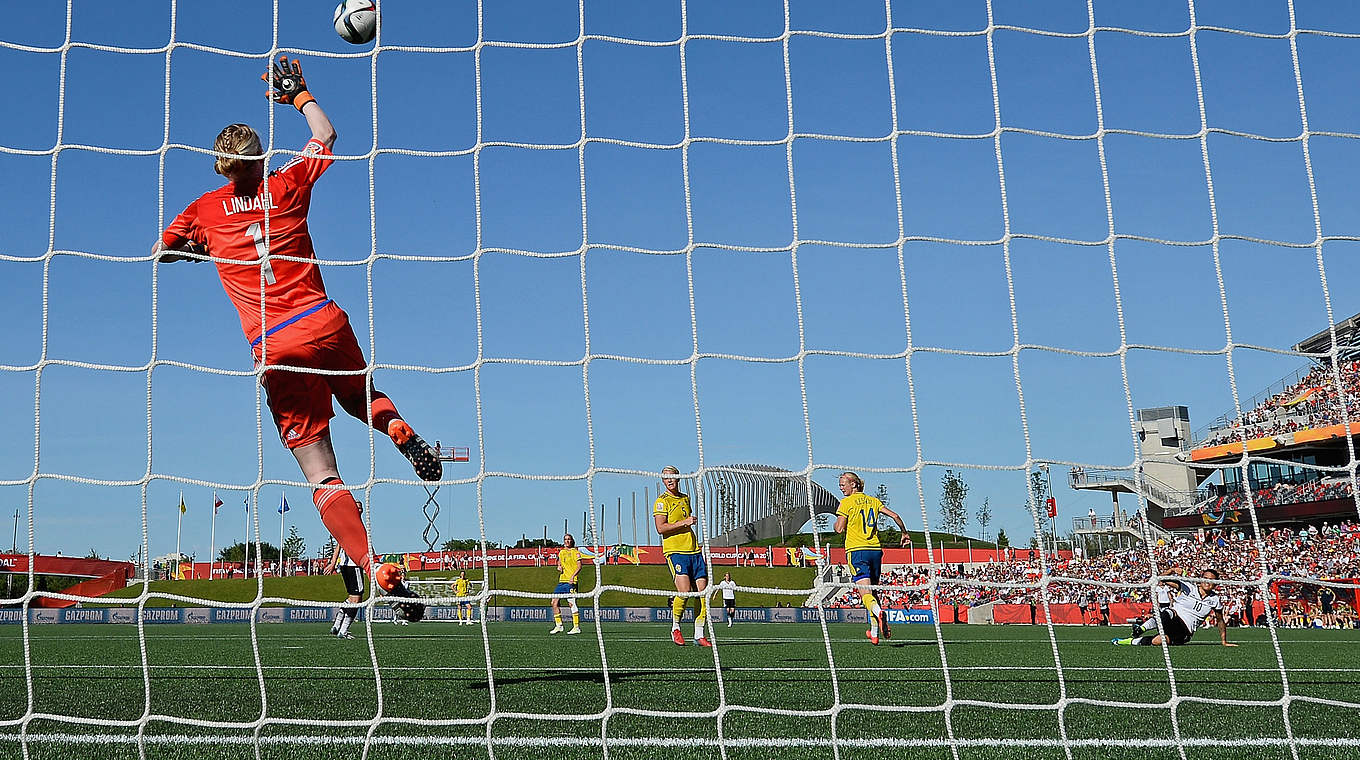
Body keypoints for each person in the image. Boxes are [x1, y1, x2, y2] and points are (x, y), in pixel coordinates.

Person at [154, 58, 441, 582]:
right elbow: (326, 135)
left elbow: (162, 251)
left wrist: (202, 249)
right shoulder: (286, 185)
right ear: (261, 157)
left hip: (274, 345)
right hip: (324, 321)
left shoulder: (204, 210)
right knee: (360, 396)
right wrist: (299, 95)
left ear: (220, 167)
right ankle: (395, 427)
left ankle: (373, 565)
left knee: (322, 472)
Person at [834, 471, 907, 645]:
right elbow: (895, 516)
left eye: (843, 484)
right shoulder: (873, 501)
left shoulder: (846, 502)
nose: (841, 488)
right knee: (872, 592)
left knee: (865, 594)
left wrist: (836, 521)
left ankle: (878, 612)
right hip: (875, 550)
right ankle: (874, 632)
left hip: (857, 551)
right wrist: (904, 533)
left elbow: (839, 529)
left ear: (853, 484)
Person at [654, 466, 710, 647]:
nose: (669, 480)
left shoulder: (685, 498)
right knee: (684, 591)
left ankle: (699, 634)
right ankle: (675, 628)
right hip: (676, 551)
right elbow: (660, 528)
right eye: (666, 478)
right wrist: (684, 522)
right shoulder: (661, 501)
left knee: (703, 593)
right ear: (663, 481)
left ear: (678, 478)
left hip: (694, 550)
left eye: (672, 477)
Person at [1112, 570, 1237, 647]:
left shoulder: (1215, 600)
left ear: (1216, 584)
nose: (1207, 581)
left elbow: (1220, 621)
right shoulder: (1189, 587)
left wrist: (1224, 641)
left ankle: (1128, 641)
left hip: (1185, 630)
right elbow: (1160, 579)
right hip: (1174, 616)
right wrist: (1171, 570)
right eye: (1205, 578)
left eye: (1211, 580)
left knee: (1158, 641)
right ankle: (1141, 628)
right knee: (1168, 612)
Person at [325, 539, 362, 640]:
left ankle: (337, 625)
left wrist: (333, 563)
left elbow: (339, 544)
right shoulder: (359, 531)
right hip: (354, 565)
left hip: (344, 565)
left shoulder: (346, 531)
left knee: (351, 598)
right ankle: (343, 630)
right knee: (356, 600)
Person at [550, 534, 584, 635]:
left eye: (569, 539)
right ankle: (559, 625)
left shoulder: (575, 552)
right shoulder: (561, 552)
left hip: (571, 582)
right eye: (565, 539)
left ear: (572, 541)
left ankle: (576, 627)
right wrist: (559, 567)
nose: (567, 541)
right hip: (562, 581)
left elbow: (579, 566)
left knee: (571, 603)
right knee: (554, 602)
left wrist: (573, 577)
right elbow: (559, 563)